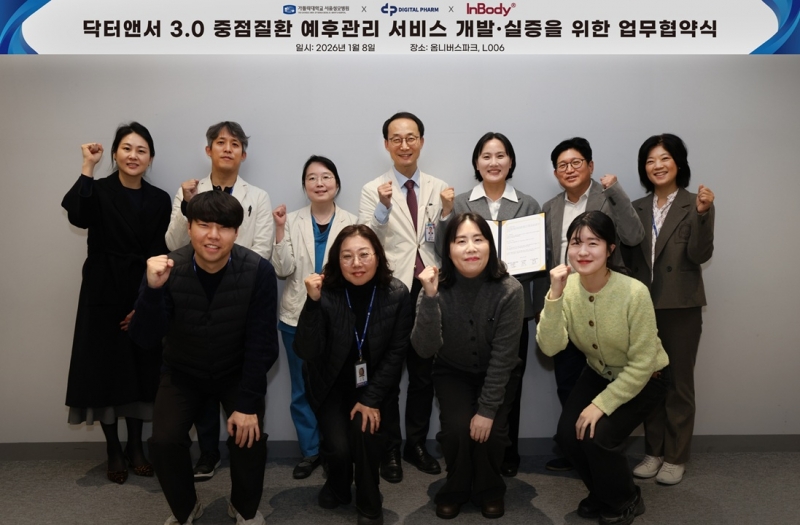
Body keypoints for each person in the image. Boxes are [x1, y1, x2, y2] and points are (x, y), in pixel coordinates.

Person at [130, 190, 279, 525]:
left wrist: (248, 404)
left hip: (236, 370)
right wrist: (152, 290)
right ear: (189, 227)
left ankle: (243, 508)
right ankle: (186, 508)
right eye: (203, 225)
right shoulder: (168, 268)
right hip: (182, 370)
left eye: (223, 227)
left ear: (236, 232)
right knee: (164, 441)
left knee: (249, 436)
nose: (213, 235)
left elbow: (263, 344)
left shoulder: (258, 271)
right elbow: (144, 337)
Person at [537, 211, 669, 525]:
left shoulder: (634, 292)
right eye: (575, 243)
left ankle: (625, 498)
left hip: (645, 377)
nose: (582, 251)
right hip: (598, 372)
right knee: (568, 436)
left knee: (599, 437)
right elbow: (550, 347)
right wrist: (554, 296)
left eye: (593, 243)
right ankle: (603, 491)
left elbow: (643, 362)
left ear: (610, 248)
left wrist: (601, 404)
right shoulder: (566, 289)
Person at [164, 121, 274, 481]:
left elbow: (261, 249)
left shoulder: (257, 196)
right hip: (194, 290)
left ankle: (237, 459)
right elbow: (174, 244)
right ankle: (208, 453)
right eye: (221, 142)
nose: (228, 149)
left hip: (240, 292)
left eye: (235, 143)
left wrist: (233, 272)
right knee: (198, 374)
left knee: (234, 372)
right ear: (208, 150)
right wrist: (187, 204)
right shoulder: (188, 191)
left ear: (244, 154)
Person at [62, 122, 171, 484]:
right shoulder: (97, 189)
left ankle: (136, 446)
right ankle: (113, 448)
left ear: (150, 158)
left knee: (140, 369)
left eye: (141, 150)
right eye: (126, 148)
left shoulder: (160, 199)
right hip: (102, 292)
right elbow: (77, 215)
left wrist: (146, 303)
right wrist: (87, 167)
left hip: (143, 288)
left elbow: (161, 251)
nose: (133, 156)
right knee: (104, 370)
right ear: (114, 153)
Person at [537, 137, 645, 471]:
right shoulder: (549, 207)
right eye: (562, 165)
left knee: (609, 379)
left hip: (605, 301)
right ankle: (575, 450)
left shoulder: (607, 197)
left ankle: (602, 450)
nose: (569, 169)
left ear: (591, 166)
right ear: (555, 172)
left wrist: (617, 191)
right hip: (568, 305)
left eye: (576, 163)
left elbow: (634, 236)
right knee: (568, 382)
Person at [437, 132, 541, 477]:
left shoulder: (528, 204)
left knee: (508, 381)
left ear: (510, 162)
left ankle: (505, 452)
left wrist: (506, 276)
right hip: (467, 307)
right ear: (476, 163)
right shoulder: (460, 202)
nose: (493, 162)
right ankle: (468, 453)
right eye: (486, 156)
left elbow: (537, 258)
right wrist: (446, 214)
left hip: (512, 307)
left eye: (500, 155)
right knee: (464, 387)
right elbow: (443, 250)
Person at [294, 225, 412, 525]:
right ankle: (338, 483)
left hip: (374, 387)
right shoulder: (325, 292)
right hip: (331, 386)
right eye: (347, 256)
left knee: (366, 433)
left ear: (378, 256)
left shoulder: (397, 293)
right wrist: (312, 303)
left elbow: (396, 353)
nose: (356, 263)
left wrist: (371, 399)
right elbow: (306, 350)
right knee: (339, 449)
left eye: (364, 254)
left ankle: (370, 502)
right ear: (337, 260)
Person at [358, 112, 450, 481]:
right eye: (396, 138)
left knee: (424, 375)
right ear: (386, 145)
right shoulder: (372, 189)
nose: (404, 145)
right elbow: (367, 241)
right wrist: (382, 206)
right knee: (389, 375)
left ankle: (416, 444)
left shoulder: (439, 187)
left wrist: (447, 213)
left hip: (428, 290)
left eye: (411, 137)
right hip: (390, 292)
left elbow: (443, 242)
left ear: (421, 141)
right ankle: (390, 450)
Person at [413, 213, 524, 520]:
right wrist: (430, 298)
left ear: (490, 245)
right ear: (448, 250)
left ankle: (489, 490)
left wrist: (487, 410)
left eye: (478, 239)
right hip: (452, 371)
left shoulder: (510, 289)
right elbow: (424, 349)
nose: (470, 248)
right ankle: (456, 488)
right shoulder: (433, 287)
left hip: (497, 371)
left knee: (492, 432)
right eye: (460, 241)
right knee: (457, 430)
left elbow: (504, 356)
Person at [623, 134, 715, 486]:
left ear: (678, 163)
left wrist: (703, 215)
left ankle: (676, 456)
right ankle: (654, 452)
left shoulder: (696, 203)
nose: (657, 166)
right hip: (643, 306)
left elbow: (700, 254)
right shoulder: (636, 207)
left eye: (664, 158)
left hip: (680, 306)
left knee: (679, 383)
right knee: (649, 380)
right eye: (650, 160)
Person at [271, 155, 358, 479]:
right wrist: (280, 230)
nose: (319, 183)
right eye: (312, 178)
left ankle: (339, 447)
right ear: (304, 185)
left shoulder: (353, 222)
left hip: (340, 317)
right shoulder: (291, 220)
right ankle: (310, 451)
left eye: (326, 177)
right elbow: (282, 270)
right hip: (297, 317)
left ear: (337, 183)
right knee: (301, 389)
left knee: (340, 385)